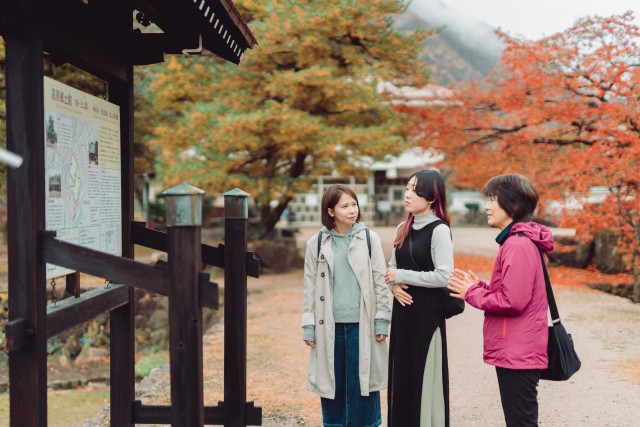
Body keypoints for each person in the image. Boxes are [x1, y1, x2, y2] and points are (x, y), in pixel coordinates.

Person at [447, 173, 554, 427]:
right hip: (519, 349)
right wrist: (479, 286)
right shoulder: (518, 241)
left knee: (521, 422)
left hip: (519, 350)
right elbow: (514, 291)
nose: (486, 206)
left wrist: (471, 293)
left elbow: (512, 301)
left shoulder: (518, 244)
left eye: (492, 199)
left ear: (512, 204)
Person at [300, 184, 391, 427]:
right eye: (345, 206)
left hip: (363, 323)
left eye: (354, 204)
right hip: (328, 325)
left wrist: (382, 320)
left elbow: (380, 281)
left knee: (363, 383)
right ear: (330, 211)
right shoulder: (317, 243)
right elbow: (309, 286)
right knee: (333, 383)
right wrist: (308, 326)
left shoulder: (369, 239)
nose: (352, 210)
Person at [384, 169, 455, 427]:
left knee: (424, 376)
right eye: (406, 188)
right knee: (403, 375)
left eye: (414, 189)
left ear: (431, 196)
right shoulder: (403, 227)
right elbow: (390, 269)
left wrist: (403, 275)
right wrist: (393, 287)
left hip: (427, 317)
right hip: (403, 314)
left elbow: (444, 276)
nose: (407, 194)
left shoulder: (439, 230)